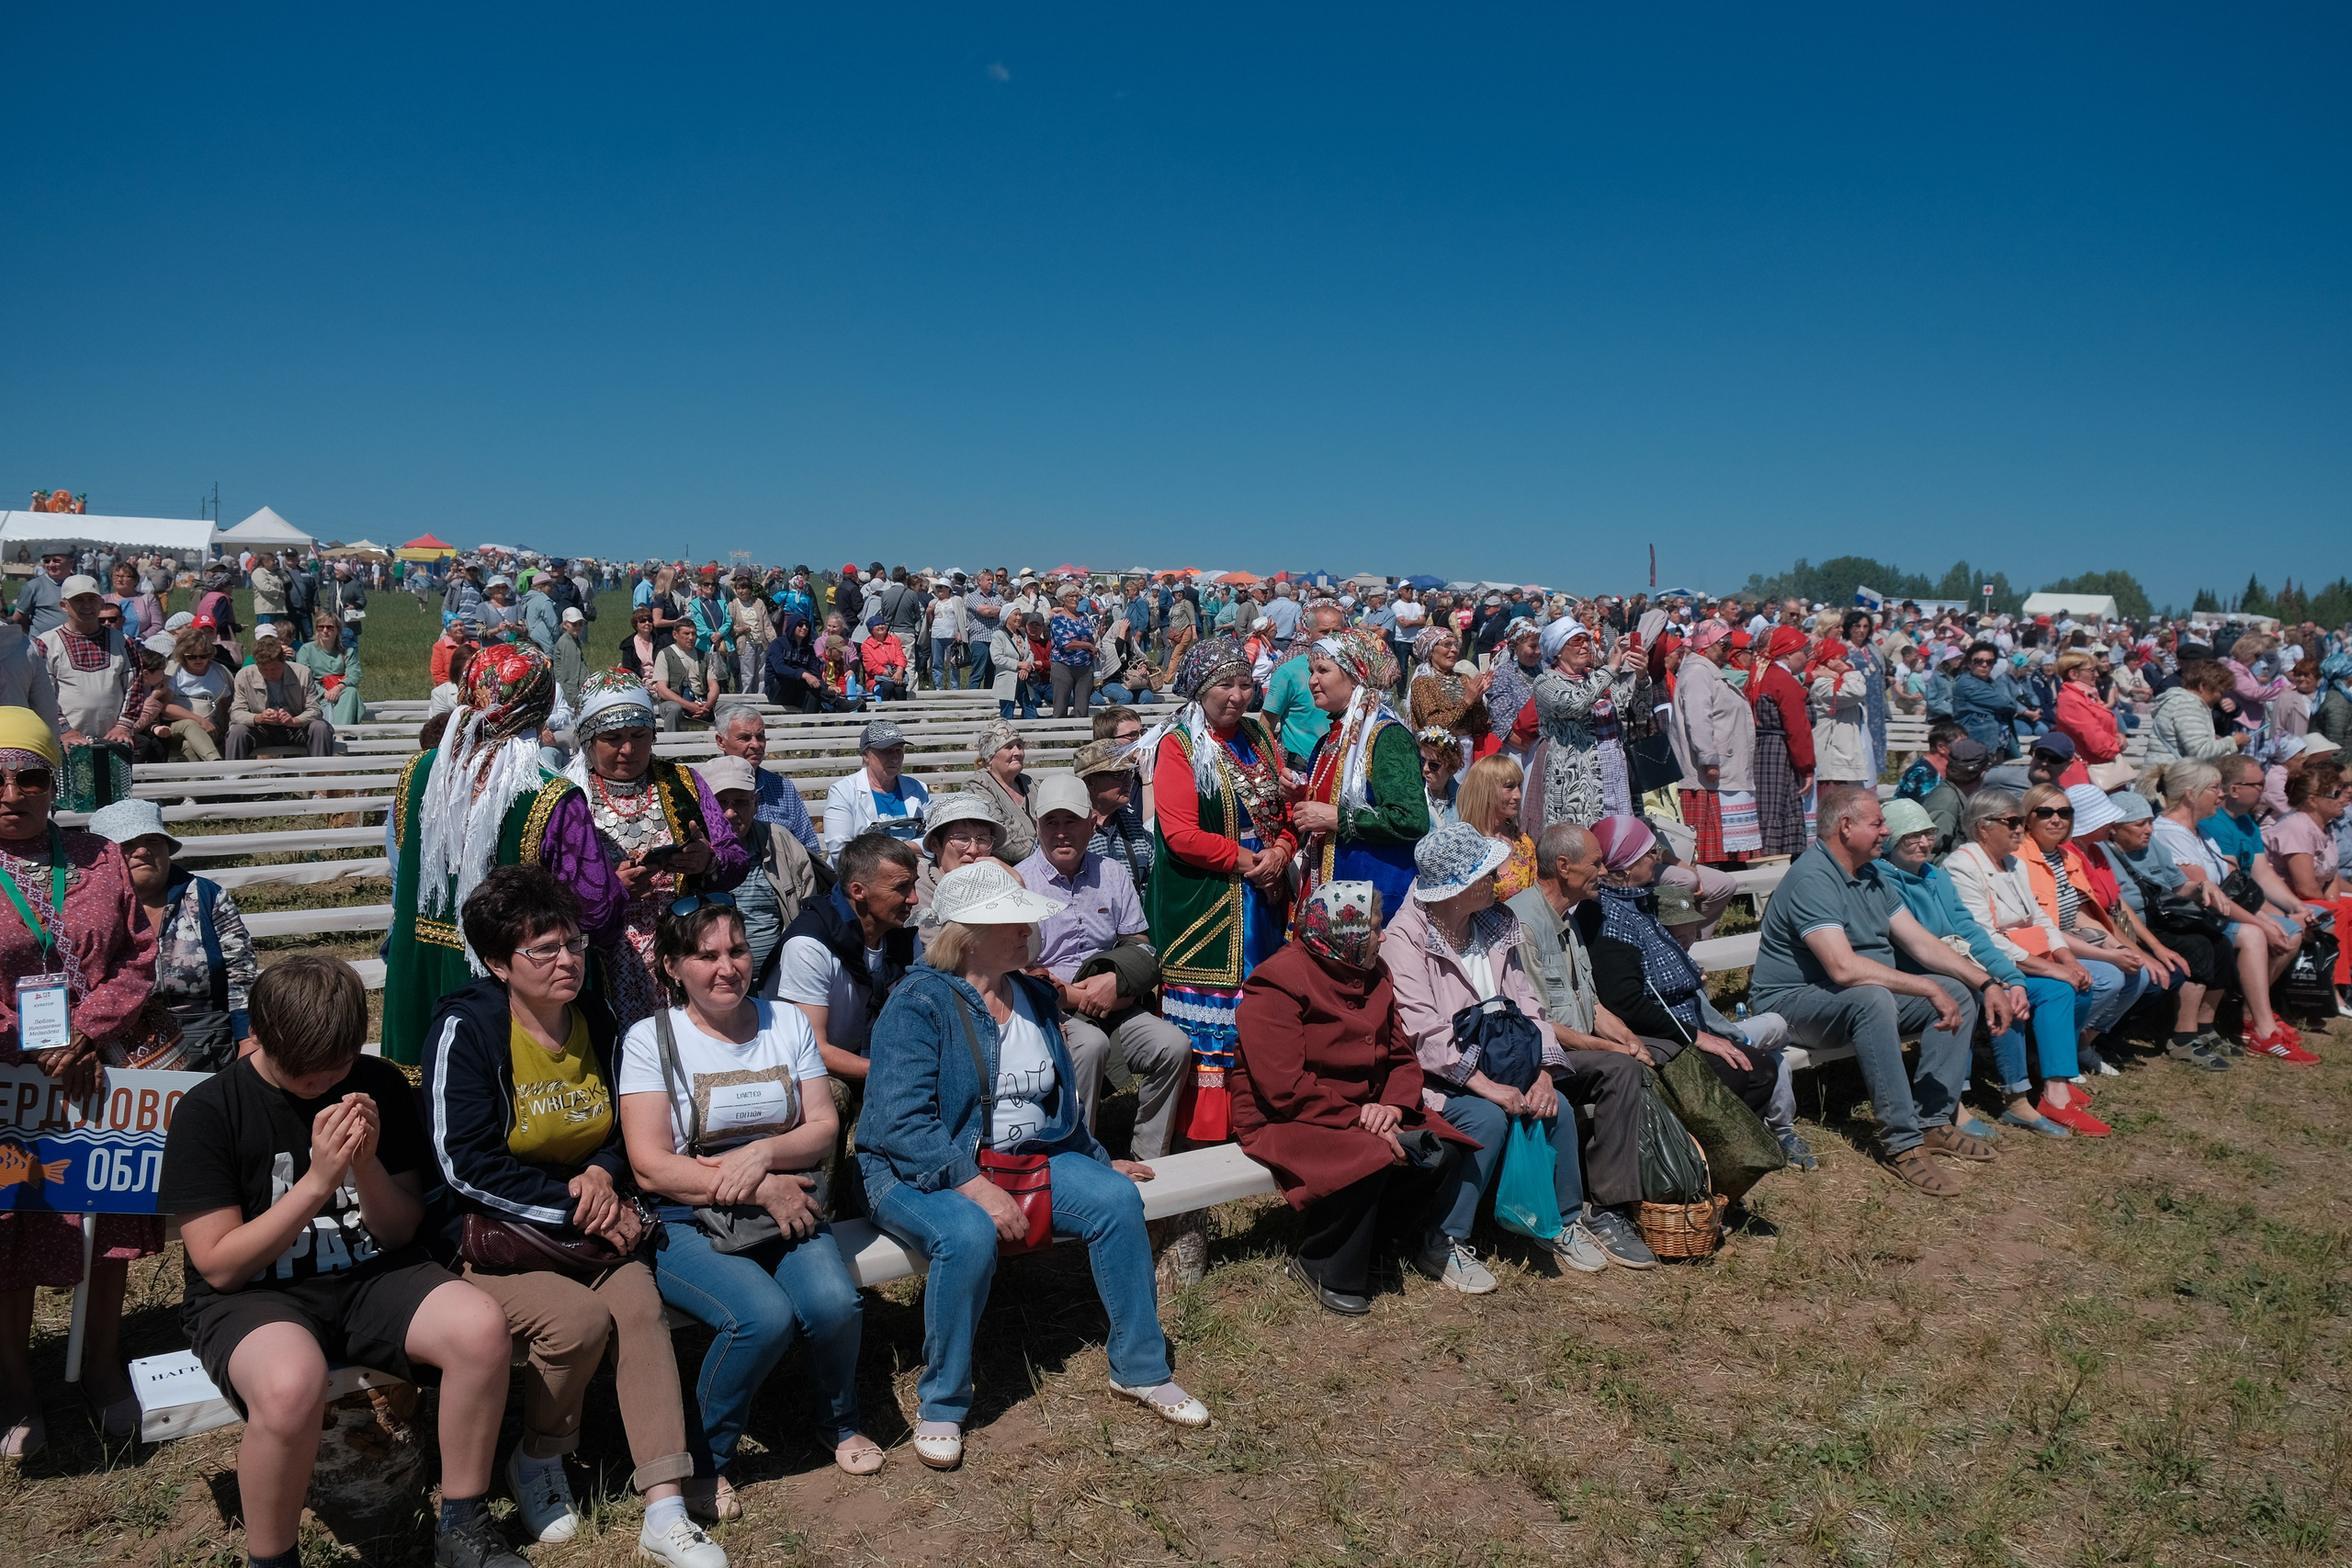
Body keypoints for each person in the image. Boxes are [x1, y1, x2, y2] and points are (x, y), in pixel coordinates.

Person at [160, 958, 532, 1568]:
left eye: (336, 1065)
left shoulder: (376, 1083)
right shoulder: (211, 1110)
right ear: (261, 1035)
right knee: (289, 1385)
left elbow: (401, 1227)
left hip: (366, 1271)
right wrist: (317, 1181)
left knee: (480, 1327)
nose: (323, 1081)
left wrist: (365, 1166)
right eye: (304, 1073)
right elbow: (220, 1265)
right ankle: (272, 1559)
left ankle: (464, 1525)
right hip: (252, 1293)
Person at [857, 860, 1209, 1469]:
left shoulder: (1036, 995)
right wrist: (973, 1186)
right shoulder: (917, 1003)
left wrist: (1097, 1160)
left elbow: (1057, 1105)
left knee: (1115, 1199)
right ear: (966, 934)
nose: (1029, 933)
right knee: (965, 1233)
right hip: (912, 1169)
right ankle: (942, 1400)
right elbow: (899, 1124)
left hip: (1019, 1159)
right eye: (1013, 923)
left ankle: (1140, 1369)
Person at [418, 868, 722, 1565]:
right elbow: (460, 1162)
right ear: (498, 963)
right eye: (544, 949)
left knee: (640, 1308)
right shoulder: (468, 1028)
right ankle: (537, 1455)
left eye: (574, 943)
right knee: (578, 1324)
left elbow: (626, 1125)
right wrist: (576, 1203)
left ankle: (665, 1508)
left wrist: (603, 1173)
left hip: (593, 1221)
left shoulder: (596, 1017)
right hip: (497, 1237)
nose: (568, 960)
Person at [618, 897, 877, 1520]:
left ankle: (837, 1419)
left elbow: (822, 1125)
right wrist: (755, 1183)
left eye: (736, 949)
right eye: (706, 955)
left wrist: (762, 1158)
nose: (726, 966)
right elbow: (651, 1163)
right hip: (684, 1216)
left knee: (834, 1301)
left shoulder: (784, 1022)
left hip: (785, 1200)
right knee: (760, 1317)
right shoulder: (651, 1038)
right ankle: (709, 1457)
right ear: (674, 966)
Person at [1383, 821, 1657, 1290]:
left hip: (1509, 1059)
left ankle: (1563, 1219)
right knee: (1485, 1119)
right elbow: (1425, 1034)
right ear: (1458, 890)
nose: (1500, 879)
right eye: (1488, 874)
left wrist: (1545, 1070)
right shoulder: (1405, 940)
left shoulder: (1495, 922)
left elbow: (1529, 1005)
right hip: (1440, 1075)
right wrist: (1488, 1086)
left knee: (1558, 1108)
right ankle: (1443, 1239)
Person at [0, 714, 168, 1451]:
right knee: (12, 1231)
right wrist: (29, 1045)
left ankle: (102, 1369)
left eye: (29, 776)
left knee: (104, 1226)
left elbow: (138, 955)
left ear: (53, 782)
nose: (12, 793)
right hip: (9, 1087)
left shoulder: (99, 857)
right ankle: (15, 1390)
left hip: (100, 1073)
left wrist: (84, 1032)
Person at [1231, 880, 1476, 1313]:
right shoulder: (1275, 982)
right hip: (1286, 1115)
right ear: (1347, 936)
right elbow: (1283, 1087)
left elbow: (1402, 1057)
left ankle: (1378, 1244)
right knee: (1372, 1156)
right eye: (1376, 929)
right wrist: (1360, 1118)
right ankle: (1322, 1263)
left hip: (1368, 1107)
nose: (1383, 938)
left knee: (1442, 1151)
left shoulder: (1374, 972)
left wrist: (1393, 1107)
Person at [1747, 788, 2006, 1197]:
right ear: (1846, 827)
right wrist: (1923, 986)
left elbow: (1922, 943)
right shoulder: (1813, 878)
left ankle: (1933, 1121)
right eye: (1878, 823)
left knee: (1955, 990)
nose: (1887, 830)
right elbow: (1843, 969)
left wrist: (1986, 982)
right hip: (1792, 1004)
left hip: (1846, 999)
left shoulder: (1870, 874)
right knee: (1873, 997)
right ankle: (1902, 1143)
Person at [385, 648, 629, 1066]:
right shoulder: (552, 796)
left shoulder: (420, 771)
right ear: (544, 703)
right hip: (515, 990)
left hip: (422, 969)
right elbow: (595, 913)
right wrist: (618, 888)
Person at [1883, 796, 2113, 1135]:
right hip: (1921, 972)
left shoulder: (1935, 876)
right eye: (1910, 836)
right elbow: (1920, 945)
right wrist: (1994, 981)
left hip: (1964, 963)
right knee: (1975, 994)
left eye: (1929, 833)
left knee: (2046, 989)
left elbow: (1970, 931)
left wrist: (2010, 976)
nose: (1924, 842)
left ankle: (2030, 1092)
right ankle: (1954, 1101)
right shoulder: (1886, 880)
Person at [1144, 637, 1297, 1145]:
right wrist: (1250, 859)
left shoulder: (1258, 734)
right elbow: (1181, 834)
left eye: (1245, 684)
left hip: (1263, 893)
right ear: (1200, 688)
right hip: (1207, 899)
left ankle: (1258, 1112)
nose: (1238, 695)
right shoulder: (1180, 744)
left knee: (1260, 1001)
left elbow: (1287, 808)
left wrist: (1281, 852)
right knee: (1217, 1008)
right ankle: (1207, 1125)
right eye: (1225, 685)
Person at [1018, 773, 1192, 1172]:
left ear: (1092, 822)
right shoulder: (1021, 881)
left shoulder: (1112, 873)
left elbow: (1139, 942)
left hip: (1117, 999)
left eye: (1071, 822)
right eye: (1051, 823)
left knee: (1173, 1045)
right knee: (1090, 1045)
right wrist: (1080, 997)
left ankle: (1151, 1158)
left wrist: (1118, 985)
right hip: (1049, 1007)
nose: (1061, 834)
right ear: (1037, 826)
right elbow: (1021, 969)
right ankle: (1079, 1163)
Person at [564, 670, 749, 1030]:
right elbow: (552, 885)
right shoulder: (569, 796)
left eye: (639, 736)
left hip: (683, 945)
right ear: (588, 739)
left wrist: (708, 860)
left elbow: (736, 859)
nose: (628, 749)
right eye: (613, 738)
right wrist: (612, 890)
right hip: (605, 954)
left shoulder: (683, 783)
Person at [2146, 760, 2305, 1057]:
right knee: (2252, 935)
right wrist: (2261, 924)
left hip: (2212, 916)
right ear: (2191, 794)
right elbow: (2209, 896)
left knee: (2279, 929)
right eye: (2214, 788)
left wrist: (2268, 919)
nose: (2221, 794)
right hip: (2183, 920)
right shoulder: (2170, 832)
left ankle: (2212, 1026)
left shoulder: (2201, 832)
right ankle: (2262, 1029)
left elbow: (2229, 887)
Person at [89, 797, 255, 1072]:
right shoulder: (88, 909)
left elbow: (241, 975)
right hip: (114, 1053)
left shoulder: (207, 897)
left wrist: (247, 1041)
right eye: (127, 844)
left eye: (153, 841)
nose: (142, 850)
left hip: (209, 1047)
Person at [774, 829, 920, 1116]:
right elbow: (814, 1050)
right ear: (857, 891)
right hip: (799, 1069)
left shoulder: (903, 936)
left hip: (867, 1059)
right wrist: (895, 1071)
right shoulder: (808, 945)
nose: (914, 899)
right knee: (832, 1093)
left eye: (913, 885)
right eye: (902, 887)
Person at [1292, 626, 1428, 919]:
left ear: (1355, 675)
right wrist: (1298, 795)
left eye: (1323, 670)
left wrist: (1335, 818)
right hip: (1331, 886)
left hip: (1373, 895)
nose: (1312, 680)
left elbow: (1411, 819)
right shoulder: (1331, 737)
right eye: (1311, 671)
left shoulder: (1387, 737)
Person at [2095, 788, 2234, 1067]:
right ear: (2114, 829)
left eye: (2150, 822)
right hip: (2127, 928)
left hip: (2160, 921)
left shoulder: (2153, 846)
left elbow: (2179, 886)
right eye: (2140, 824)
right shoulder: (2101, 853)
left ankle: (2204, 1028)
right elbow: (2112, 907)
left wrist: (2204, 886)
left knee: (2221, 945)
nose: (2149, 830)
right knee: (2196, 948)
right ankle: (2182, 1038)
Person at [703, 753, 831, 989]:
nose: (730, 813)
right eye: (721, 803)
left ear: (756, 804)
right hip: (712, 985)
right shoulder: (692, 852)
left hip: (779, 979)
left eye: (740, 802)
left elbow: (809, 910)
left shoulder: (780, 841)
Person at [1529, 618, 1645, 829]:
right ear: (1558, 650)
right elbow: (1575, 703)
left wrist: (1642, 677)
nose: (1585, 645)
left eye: (1587, 639)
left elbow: (1638, 712)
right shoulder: (1546, 682)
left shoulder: (1595, 677)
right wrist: (1611, 668)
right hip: (1578, 786)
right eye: (1576, 640)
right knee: (1583, 849)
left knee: (1621, 844)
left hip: (1615, 780)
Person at [1667, 619, 1759, 864]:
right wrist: (1709, 759)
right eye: (1724, 643)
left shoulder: (1708, 671)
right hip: (1710, 776)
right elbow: (1698, 720)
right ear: (1705, 645)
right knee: (1711, 851)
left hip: (1725, 771)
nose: (1728, 648)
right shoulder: (1698, 672)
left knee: (1728, 846)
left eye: (1730, 644)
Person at [35, 573, 136, 748]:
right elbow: (42, 694)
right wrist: (64, 730)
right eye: (78, 600)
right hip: (64, 741)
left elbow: (136, 687)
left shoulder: (123, 641)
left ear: (101, 603)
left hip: (114, 739)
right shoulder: (47, 643)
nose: (87, 605)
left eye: (92, 599)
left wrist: (123, 725)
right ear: (64, 606)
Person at [1744, 626, 1815, 856]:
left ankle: (1764, 857)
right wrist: (1807, 767)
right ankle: (1776, 859)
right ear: (1787, 653)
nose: (1807, 658)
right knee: (1778, 806)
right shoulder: (1784, 681)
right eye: (1804, 652)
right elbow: (1798, 728)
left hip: (1760, 749)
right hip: (1779, 752)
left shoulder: (1759, 676)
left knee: (1765, 805)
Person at [820, 718, 933, 860]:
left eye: (898, 750)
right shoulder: (843, 791)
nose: (894, 757)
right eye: (885, 751)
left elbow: (932, 838)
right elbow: (840, 849)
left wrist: (899, 850)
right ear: (865, 755)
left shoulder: (918, 788)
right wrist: (901, 851)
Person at [1261, 603, 1348, 764]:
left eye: (1336, 631)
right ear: (1308, 634)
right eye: (1324, 631)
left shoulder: (1351, 671)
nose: (1331, 636)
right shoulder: (1289, 672)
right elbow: (1266, 725)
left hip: (1340, 764)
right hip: (1300, 766)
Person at [226, 630, 334, 758]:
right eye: (264, 670)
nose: (269, 673)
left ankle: (320, 773)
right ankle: (235, 775)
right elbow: (236, 713)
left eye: (274, 668)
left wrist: (294, 721)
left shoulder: (303, 673)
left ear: (284, 661)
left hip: (296, 729)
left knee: (320, 727)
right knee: (237, 731)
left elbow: (315, 710)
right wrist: (258, 718)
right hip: (262, 730)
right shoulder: (244, 675)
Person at [1078, 732, 1156, 896]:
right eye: (1118, 774)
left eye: (1129, 773)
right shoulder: (1066, 829)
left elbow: (1153, 889)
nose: (1128, 780)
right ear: (1090, 781)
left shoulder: (1135, 829)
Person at [1458, 754, 1537, 900]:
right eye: (1509, 787)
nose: (1518, 795)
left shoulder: (1524, 845)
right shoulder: (1463, 844)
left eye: (1519, 785)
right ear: (1485, 791)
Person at [2267, 761, 2348, 902]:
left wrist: (2334, 902)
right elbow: (2306, 890)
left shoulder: (2326, 826)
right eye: (2336, 794)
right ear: (2313, 801)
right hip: (2284, 903)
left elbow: (2331, 877)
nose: (2343, 799)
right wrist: (2335, 911)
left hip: (2312, 900)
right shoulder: (2297, 827)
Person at [961, 716, 1038, 865]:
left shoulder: (1030, 783)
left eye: (1019, 746)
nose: (1017, 752)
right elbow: (999, 837)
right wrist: (1047, 848)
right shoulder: (976, 786)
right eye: (1008, 747)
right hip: (1004, 869)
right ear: (990, 756)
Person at [1406, 626, 1489, 757]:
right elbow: (1433, 725)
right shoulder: (1422, 683)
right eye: (1447, 644)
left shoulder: (1464, 679)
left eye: (1456, 644)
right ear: (1430, 650)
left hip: (1469, 752)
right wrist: (1467, 701)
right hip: (1440, 756)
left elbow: (1479, 726)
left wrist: (1478, 699)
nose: (1455, 649)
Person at [912, 793, 1002, 908]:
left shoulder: (999, 884)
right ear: (935, 845)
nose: (974, 850)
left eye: (982, 839)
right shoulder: (921, 893)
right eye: (962, 838)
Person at [2145, 660, 2243, 765]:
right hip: (2172, 776)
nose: (2221, 698)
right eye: (2220, 692)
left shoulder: (2179, 702)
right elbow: (2200, 752)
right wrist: (2232, 741)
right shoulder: (2188, 705)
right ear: (2203, 686)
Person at [1806, 639, 1873, 790]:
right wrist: (1845, 670)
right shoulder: (1821, 685)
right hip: (1833, 765)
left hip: (1842, 763)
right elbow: (1858, 691)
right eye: (1842, 659)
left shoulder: (1838, 681)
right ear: (1830, 661)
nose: (1847, 663)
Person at [650, 616, 723, 732]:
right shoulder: (665, 654)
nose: (691, 638)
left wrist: (708, 705)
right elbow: (662, 689)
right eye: (686, 633)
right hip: (673, 701)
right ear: (675, 635)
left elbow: (714, 686)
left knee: (730, 708)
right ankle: (672, 745)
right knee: (674, 709)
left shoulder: (704, 656)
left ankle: (725, 745)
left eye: (694, 634)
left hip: (701, 701)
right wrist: (687, 705)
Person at [293, 613, 365, 727]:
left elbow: (355, 675)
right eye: (321, 627)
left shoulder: (347, 651)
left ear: (338, 630)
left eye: (330, 627)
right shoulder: (306, 649)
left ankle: (341, 733)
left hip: (340, 691)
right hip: (314, 693)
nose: (325, 631)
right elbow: (303, 677)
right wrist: (324, 692)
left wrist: (338, 688)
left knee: (351, 692)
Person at [1953, 642, 2019, 758]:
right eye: (1978, 661)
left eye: (1989, 662)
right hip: (1975, 746)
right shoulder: (1967, 684)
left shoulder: (1991, 683)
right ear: (1969, 663)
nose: (1984, 665)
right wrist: (2011, 704)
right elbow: (2005, 703)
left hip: (1996, 745)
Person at [1047, 584, 1098, 717]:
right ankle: (1059, 735)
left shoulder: (1084, 617)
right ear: (1063, 599)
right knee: (1061, 705)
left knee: (1082, 706)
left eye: (1077, 596)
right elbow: (1066, 644)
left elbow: (1090, 635)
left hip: (1085, 665)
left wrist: (1094, 648)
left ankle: (1082, 736)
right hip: (1063, 665)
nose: (1075, 599)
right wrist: (1088, 645)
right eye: (1071, 596)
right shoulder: (1058, 619)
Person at [859, 615, 912, 703]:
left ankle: (903, 715)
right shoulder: (866, 645)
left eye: (882, 624)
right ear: (871, 629)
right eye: (877, 625)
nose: (881, 626)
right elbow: (870, 665)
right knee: (888, 687)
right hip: (877, 677)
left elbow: (901, 657)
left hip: (897, 675)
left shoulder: (894, 640)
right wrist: (889, 674)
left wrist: (899, 671)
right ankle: (880, 713)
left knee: (900, 690)